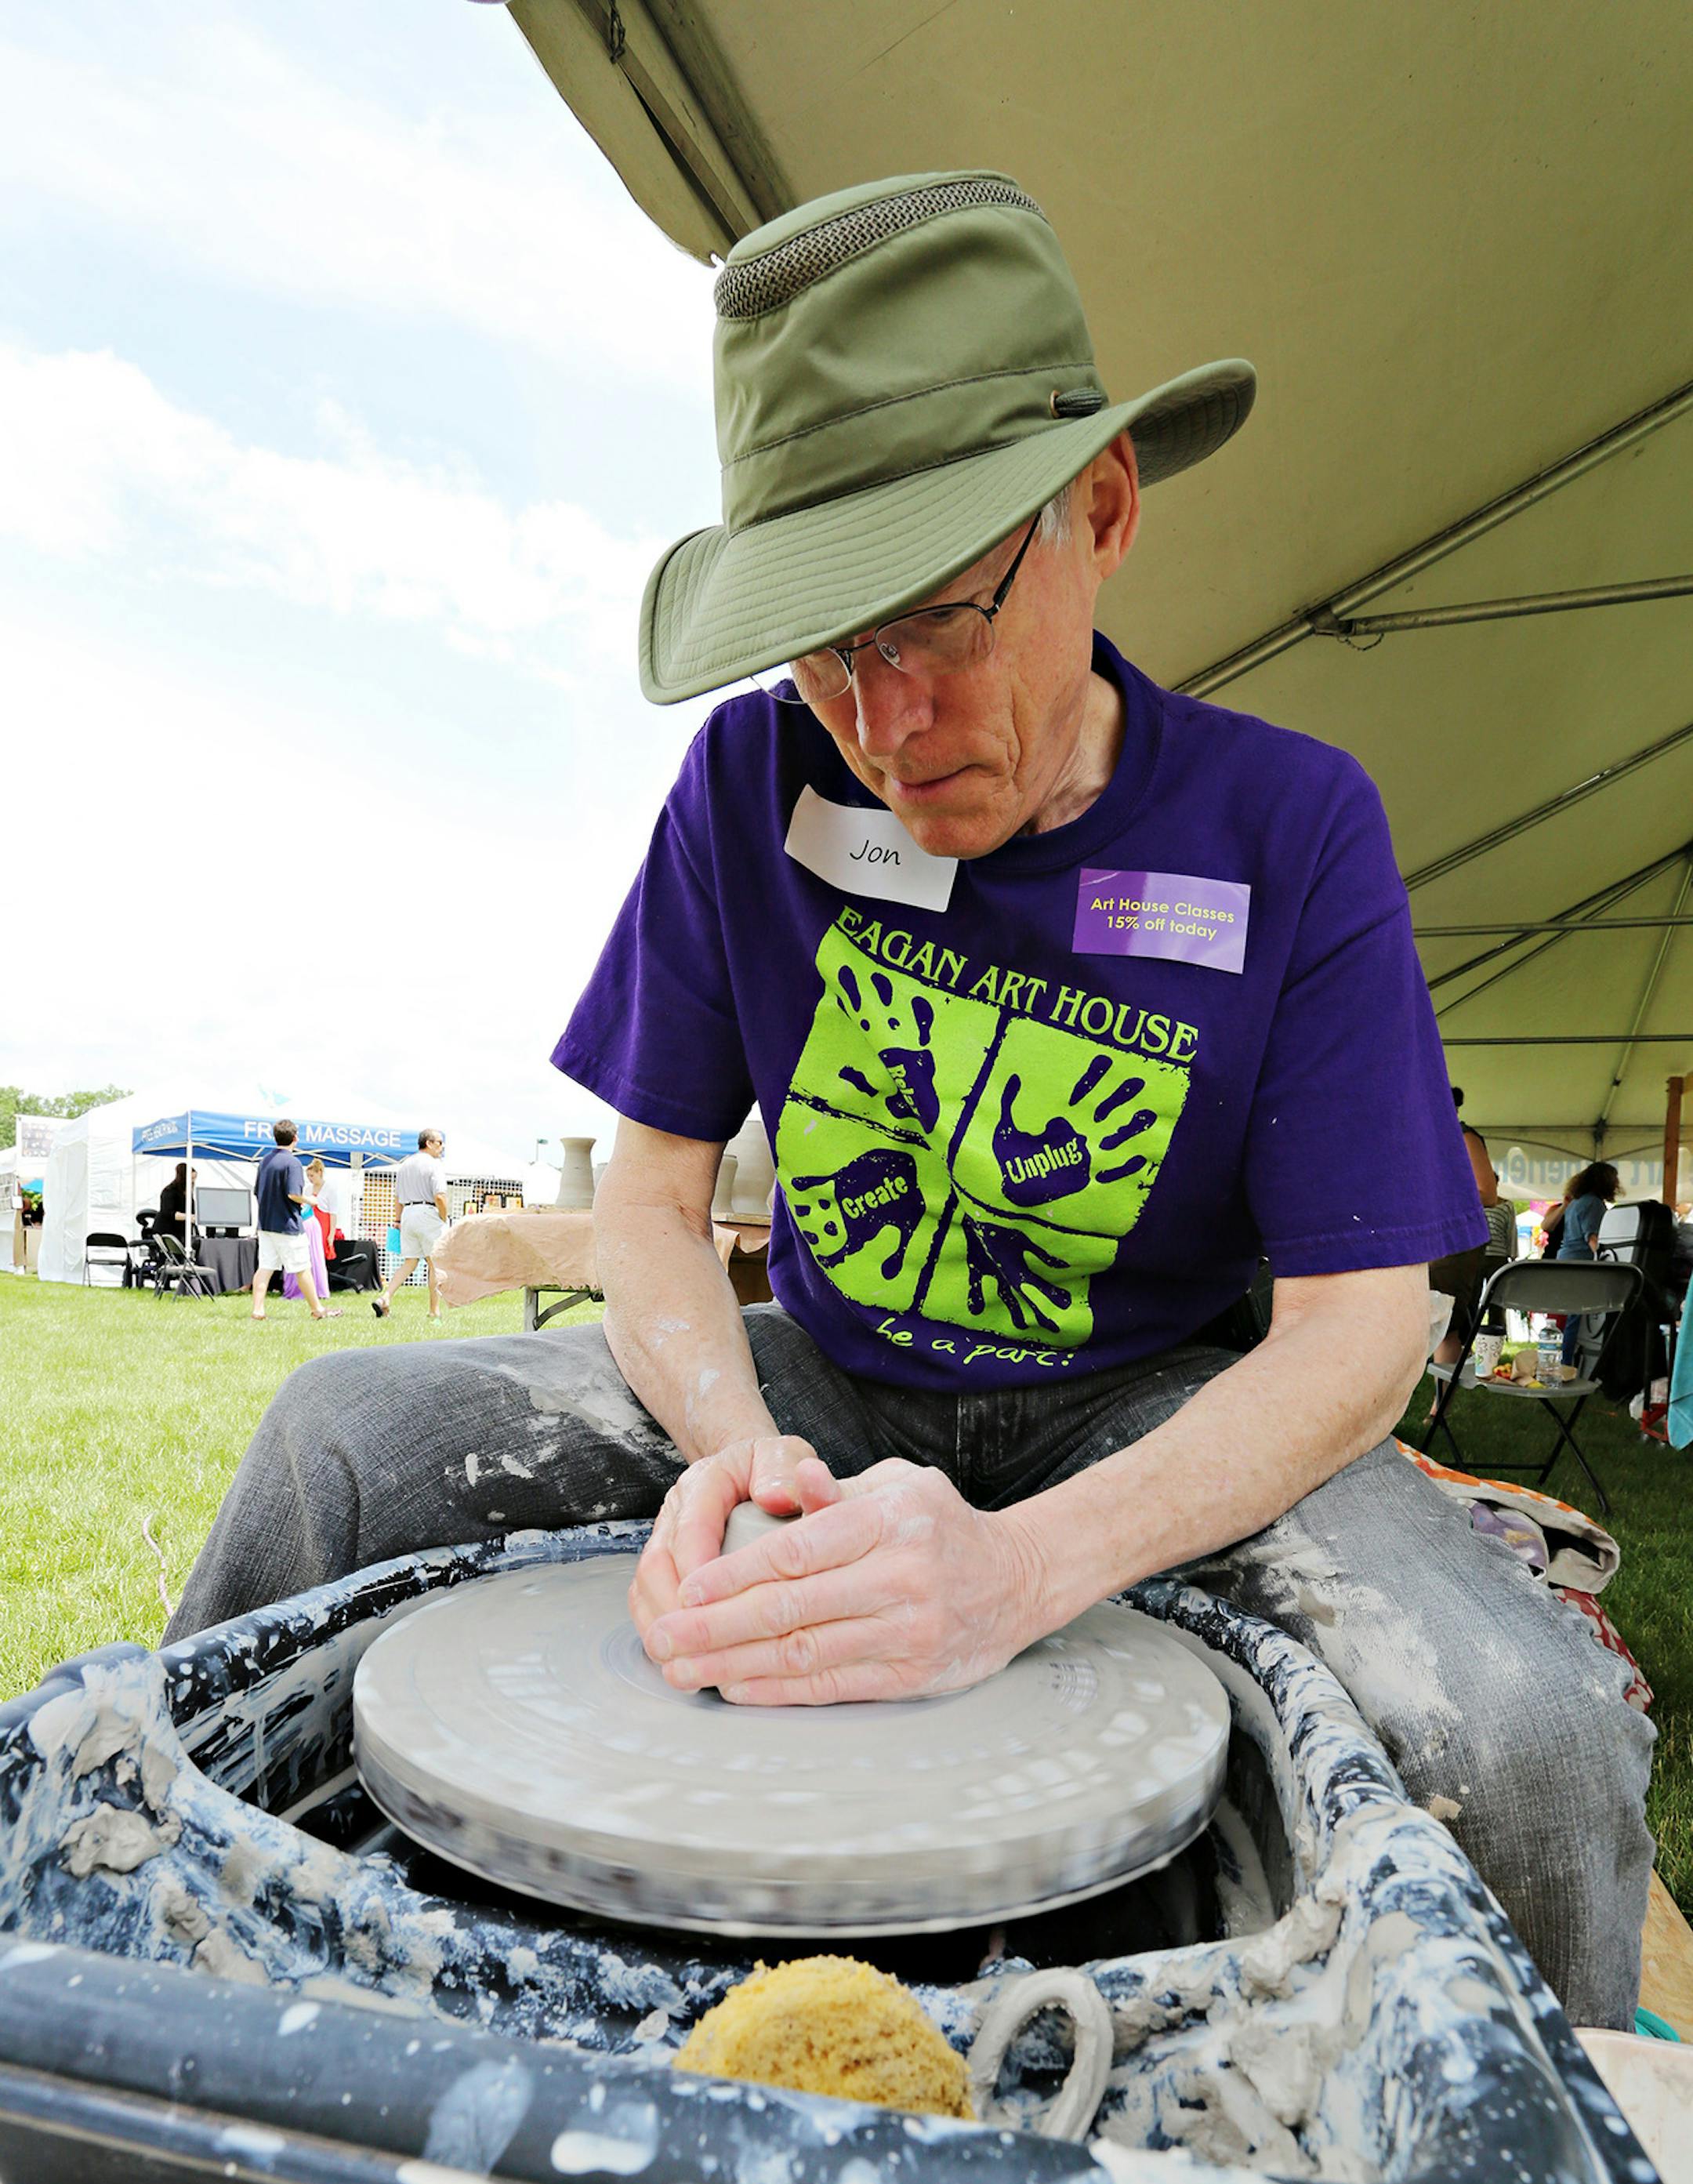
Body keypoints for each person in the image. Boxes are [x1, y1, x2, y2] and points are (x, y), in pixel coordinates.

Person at [173, 172, 1651, 2030]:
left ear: (1099, 514)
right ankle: (139, 2006)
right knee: (334, 1448)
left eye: (934, 625)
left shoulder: (1287, 825)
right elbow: (648, 1205)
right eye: (823, 643)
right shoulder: (747, 780)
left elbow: (1359, 1334)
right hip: (822, 1368)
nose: (880, 720)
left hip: (1140, 1407)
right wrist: (729, 1447)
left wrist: (1020, 1571)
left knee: (1516, 1737)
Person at [1429, 1089, 1495, 1367]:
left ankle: (1438, 1408)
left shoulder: (1464, 1137)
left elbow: (1487, 1193)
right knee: (1434, 1317)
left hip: (1456, 1240)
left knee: (1446, 1321)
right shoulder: (1431, 1141)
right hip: (1434, 1238)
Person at [250, 1119, 337, 1324]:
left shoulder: (264, 1161)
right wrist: (311, 1200)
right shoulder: (293, 1163)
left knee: (265, 1267)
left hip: (265, 1224)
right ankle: (317, 1309)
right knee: (302, 1268)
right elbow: (293, 1194)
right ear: (295, 1138)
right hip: (287, 1225)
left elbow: (256, 1191)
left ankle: (258, 1310)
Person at [372, 1129, 448, 1320]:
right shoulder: (434, 1165)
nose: (442, 1146)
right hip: (428, 1213)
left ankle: (385, 1297)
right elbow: (440, 1196)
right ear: (428, 1143)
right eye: (439, 1142)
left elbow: (398, 1197)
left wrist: (397, 1220)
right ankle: (434, 1311)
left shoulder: (405, 1165)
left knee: (410, 1262)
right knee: (434, 1263)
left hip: (408, 1214)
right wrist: (444, 1217)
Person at [1551, 1162, 1622, 1366]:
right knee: (1575, 1318)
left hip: (1565, 1260)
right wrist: (1605, 1260)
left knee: (1568, 1316)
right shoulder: (1593, 1203)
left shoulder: (1576, 1202)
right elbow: (1592, 1238)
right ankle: (1566, 1364)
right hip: (1579, 1264)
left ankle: (1561, 1361)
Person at [304, 1157, 382, 1294]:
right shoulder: (307, 1189)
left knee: (319, 1254)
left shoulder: (330, 1188)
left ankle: (319, 1283)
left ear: (320, 1172)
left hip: (324, 1224)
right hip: (309, 1222)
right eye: (308, 1176)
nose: (310, 1179)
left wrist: (331, 1234)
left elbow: (333, 1213)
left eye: (312, 1175)